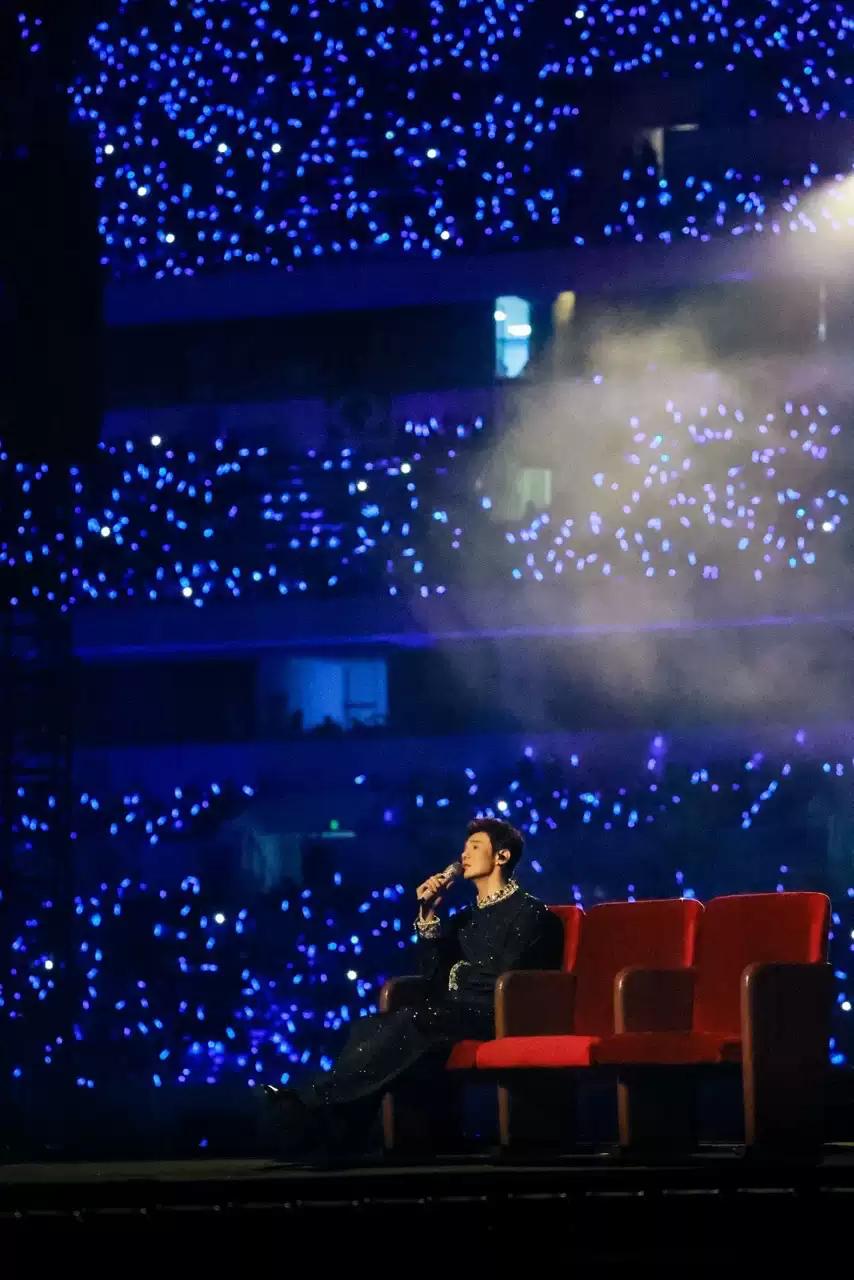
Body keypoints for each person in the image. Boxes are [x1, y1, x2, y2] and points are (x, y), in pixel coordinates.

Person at [263, 817, 563, 1161]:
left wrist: (458, 979)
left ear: (502, 856)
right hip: (451, 1013)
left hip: (495, 1014)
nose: (464, 855)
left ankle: (310, 1106)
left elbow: (511, 978)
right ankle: (337, 1129)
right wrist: (428, 914)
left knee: (414, 1020)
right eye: (464, 848)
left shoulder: (530, 913)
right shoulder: (464, 918)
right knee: (369, 1026)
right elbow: (431, 976)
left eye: (475, 847)